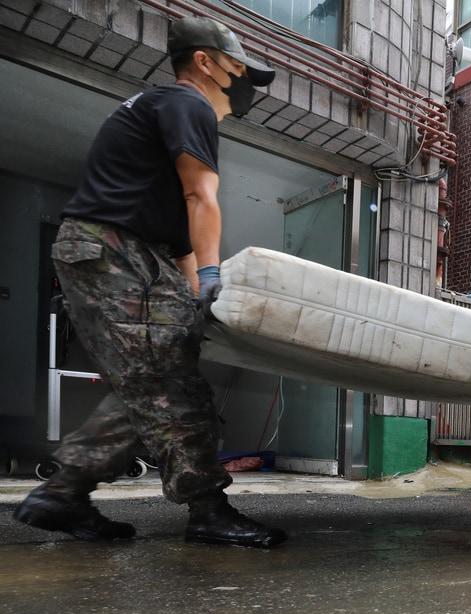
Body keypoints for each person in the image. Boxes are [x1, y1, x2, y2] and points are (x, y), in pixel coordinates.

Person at [14, 17, 287, 548]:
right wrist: (210, 275)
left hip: (130, 252)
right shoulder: (188, 104)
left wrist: (194, 294)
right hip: (114, 250)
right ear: (204, 62)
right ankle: (178, 505)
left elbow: (178, 232)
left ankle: (76, 495)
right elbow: (199, 198)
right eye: (239, 68)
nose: (246, 82)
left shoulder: (161, 110)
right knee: (161, 381)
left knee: (163, 379)